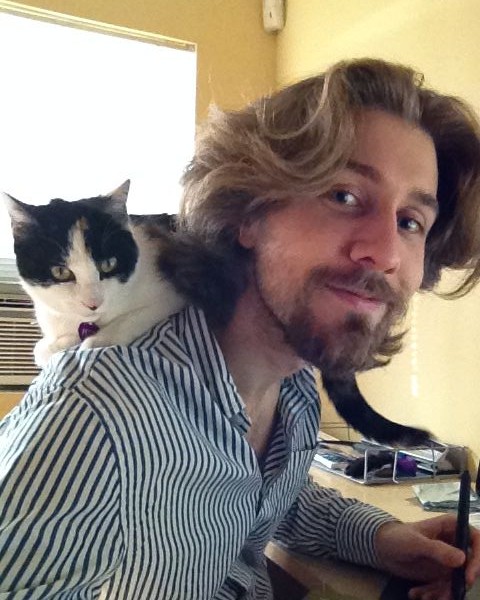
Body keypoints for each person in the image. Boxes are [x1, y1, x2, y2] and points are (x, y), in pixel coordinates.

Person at [1, 58, 480, 600]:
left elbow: (268, 498)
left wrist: (380, 538)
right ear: (248, 213)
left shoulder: (293, 387)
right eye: (343, 196)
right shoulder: (91, 418)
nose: (387, 253)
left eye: (410, 221)